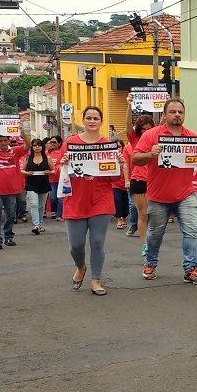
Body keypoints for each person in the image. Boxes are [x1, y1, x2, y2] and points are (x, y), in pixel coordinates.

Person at [132, 99, 197, 283]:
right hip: (158, 196)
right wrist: (150, 154)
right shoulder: (152, 135)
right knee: (155, 233)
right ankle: (150, 263)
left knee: (192, 231)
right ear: (165, 115)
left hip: (185, 194)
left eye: (180, 112)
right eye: (173, 112)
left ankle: (191, 268)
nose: (177, 115)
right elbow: (135, 158)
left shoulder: (193, 137)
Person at [58, 106, 121, 296]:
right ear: (83, 120)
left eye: (96, 118)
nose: (92, 121)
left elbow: (113, 178)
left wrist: (117, 162)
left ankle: (96, 280)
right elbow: (58, 174)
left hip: (101, 200)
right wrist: (63, 163)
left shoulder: (108, 145)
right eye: (89, 118)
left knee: (97, 242)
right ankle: (80, 267)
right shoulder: (70, 143)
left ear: (101, 122)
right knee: (75, 245)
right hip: (75, 200)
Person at [124, 113, 154, 254]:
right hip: (139, 180)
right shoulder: (135, 139)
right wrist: (129, 105)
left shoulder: (156, 139)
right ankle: (145, 245)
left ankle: (152, 242)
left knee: (154, 214)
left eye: (149, 129)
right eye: (144, 129)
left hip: (155, 181)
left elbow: (162, 124)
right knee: (143, 214)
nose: (147, 132)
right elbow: (129, 125)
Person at [21, 138, 55, 235]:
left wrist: (48, 172)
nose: (37, 147)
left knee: (41, 206)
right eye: (35, 145)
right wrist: (27, 173)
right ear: (32, 147)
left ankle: (40, 225)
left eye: (39, 145)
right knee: (34, 204)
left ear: (42, 146)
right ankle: (35, 225)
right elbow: (22, 170)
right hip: (31, 183)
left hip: (44, 183)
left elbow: (53, 171)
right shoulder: (28, 158)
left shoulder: (47, 158)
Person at [110, 139, 131, 229]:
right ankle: (119, 219)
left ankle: (124, 218)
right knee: (117, 200)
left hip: (125, 183)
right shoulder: (110, 157)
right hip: (115, 184)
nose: (118, 149)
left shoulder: (125, 156)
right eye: (115, 147)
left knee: (126, 202)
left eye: (119, 146)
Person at [46, 135, 65, 220]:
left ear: (59, 143)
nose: (52, 144)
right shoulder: (47, 153)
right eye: (51, 142)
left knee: (61, 197)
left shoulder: (62, 152)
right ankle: (54, 211)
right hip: (51, 179)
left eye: (54, 142)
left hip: (62, 178)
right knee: (53, 197)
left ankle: (59, 214)